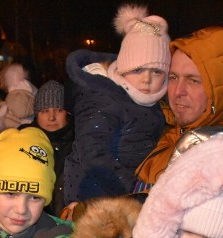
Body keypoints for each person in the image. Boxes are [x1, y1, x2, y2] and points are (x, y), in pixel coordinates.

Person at [63, 4, 170, 206]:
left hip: (131, 199)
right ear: (123, 69)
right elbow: (93, 152)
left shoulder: (156, 105)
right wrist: (134, 187)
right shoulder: (103, 98)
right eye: (138, 70)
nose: (147, 79)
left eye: (156, 71)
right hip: (94, 199)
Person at [133, 26, 223, 192]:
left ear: (219, 90)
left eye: (193, 81)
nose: (178, 91)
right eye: (173, 77)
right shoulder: (168, 135)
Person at [29, 80, 74, 216]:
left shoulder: (80, 142)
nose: (51, 117)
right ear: (37, 114)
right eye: (44, 111)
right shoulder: (24, 140)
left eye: (58, 110)